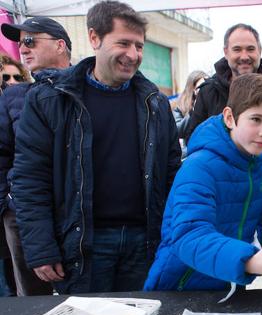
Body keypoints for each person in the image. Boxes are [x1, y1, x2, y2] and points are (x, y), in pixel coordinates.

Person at [12, 1, 181, 294]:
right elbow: (30, 178)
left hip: (144, 243)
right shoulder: (50, 100)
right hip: (83, 246)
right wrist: (41, 247)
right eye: (123, 43)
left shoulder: (155, 102)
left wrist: (173, 237)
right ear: (94, 38)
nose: (133, 55)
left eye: (139, 46)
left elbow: (171, 174)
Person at [144, 73, 262, 291]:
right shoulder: (199, 167)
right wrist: (249, 261)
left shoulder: (257, 166)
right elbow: (188, 236)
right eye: (256, 119)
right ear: (230, 118)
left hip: (228, 285)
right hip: (181, 287)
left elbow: (256, 223)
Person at [187, 23, 262, 193]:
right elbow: (193, 137)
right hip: (216, 188)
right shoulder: (209, 91)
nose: (244, 56)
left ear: (259, 50)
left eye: (250, 49)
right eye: (237, 49)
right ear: (226, 52)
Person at [0, 16, 73, 296]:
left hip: (72, 214)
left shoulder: (87, 90)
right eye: (20, 44)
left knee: (83, 300)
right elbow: (3, 156)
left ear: (60, 45)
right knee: (32, 304)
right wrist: (8, 207)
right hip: (24, 215)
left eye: (30, 41)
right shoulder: (14, 97)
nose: (23, 49)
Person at [173, 70, 207, 144]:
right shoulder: (181, 105)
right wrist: (194, 110)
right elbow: (177, 130)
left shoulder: (212, 101)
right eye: (200, 87)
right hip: (190, 149)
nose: (204, 90)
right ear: (192, 89)